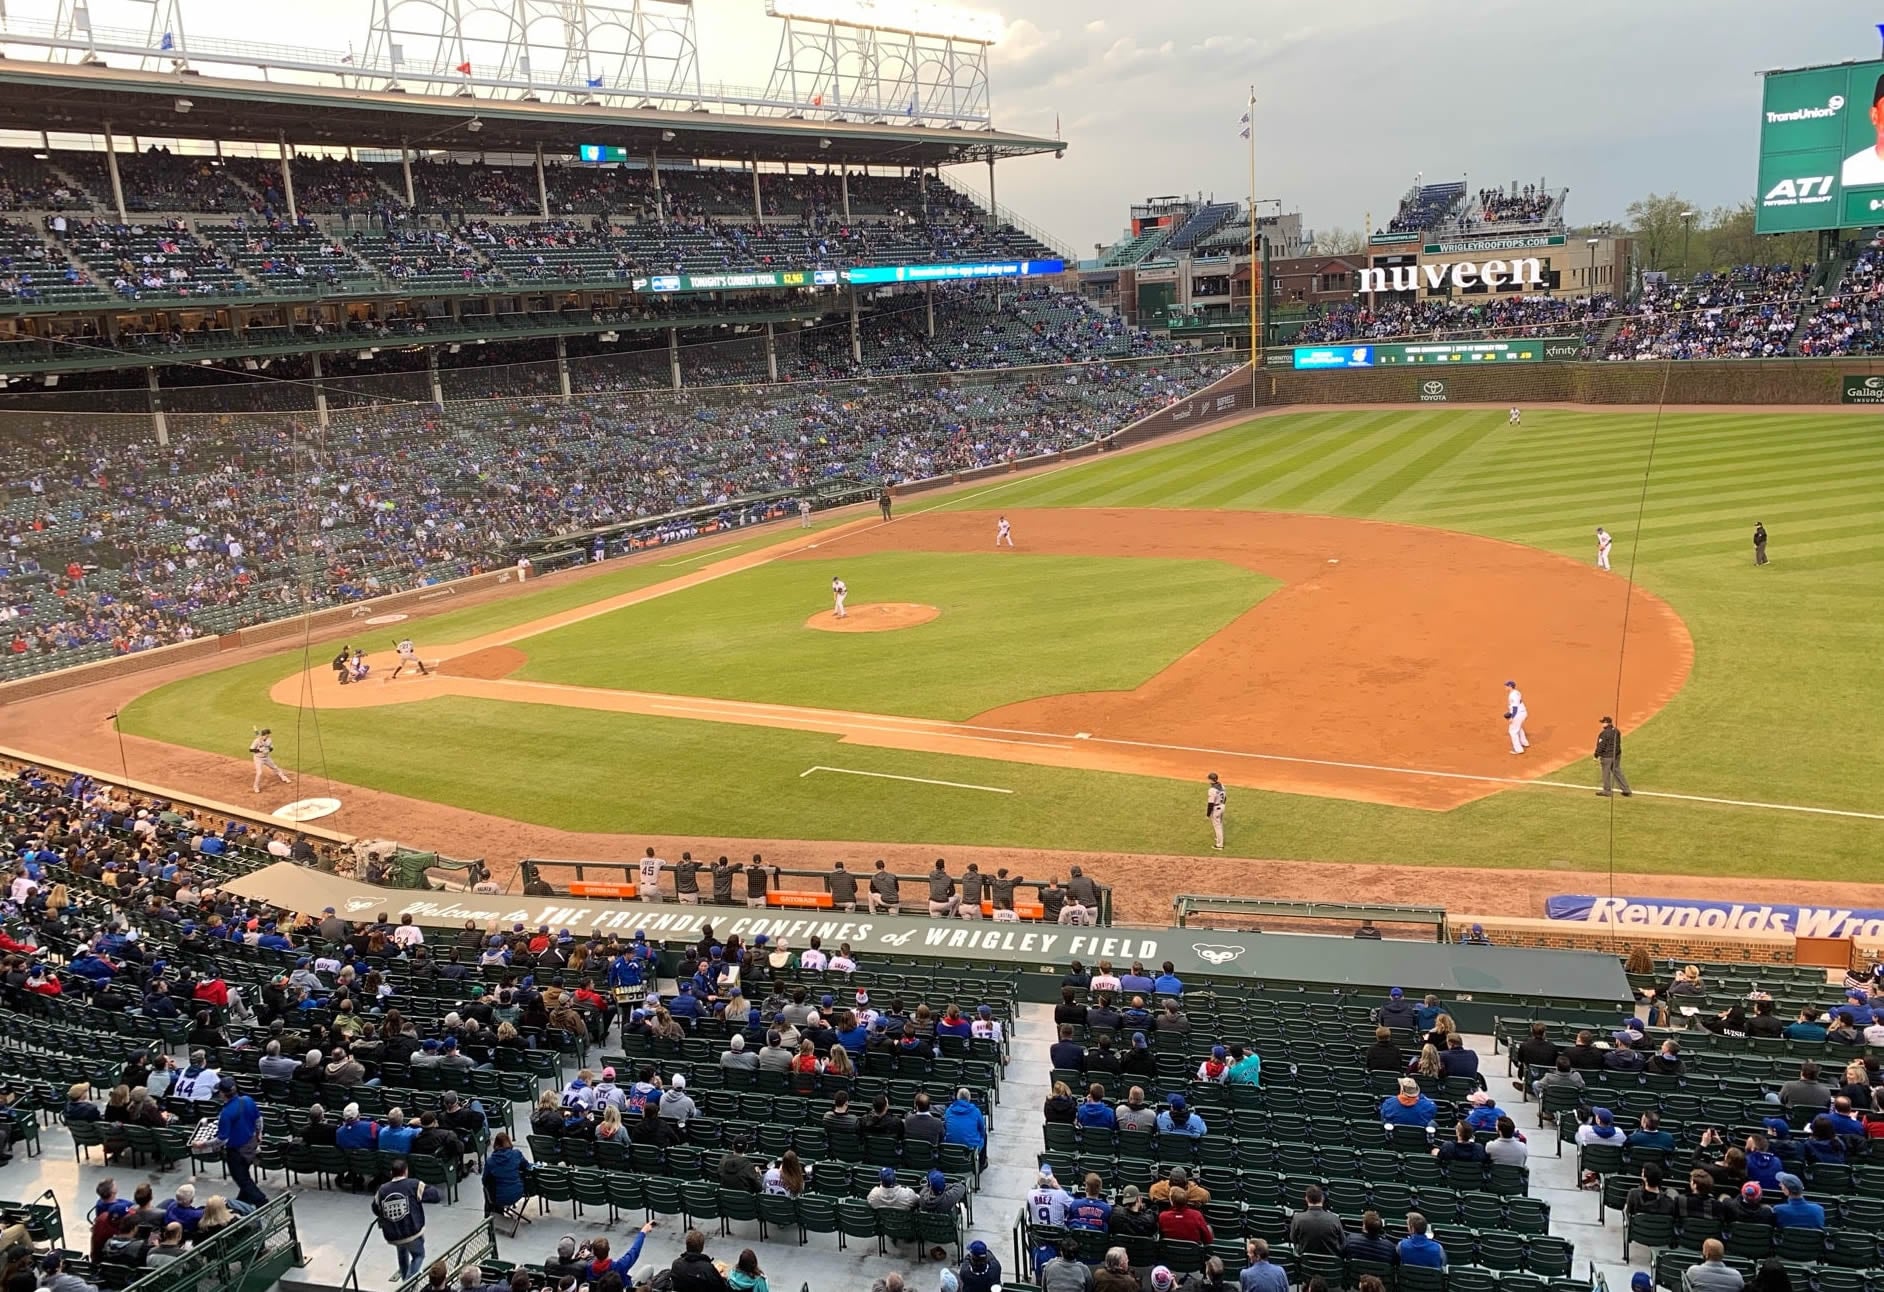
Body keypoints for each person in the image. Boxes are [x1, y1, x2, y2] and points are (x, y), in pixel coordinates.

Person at [373, 1159, 443, 1282]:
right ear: (406, 1171)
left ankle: (404, 1279)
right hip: (412, 1232)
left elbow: (375, 1208)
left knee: (402, 1252)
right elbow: (435, 1195)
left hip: (393, 1234)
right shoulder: (413, 1185)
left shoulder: (382, 1190)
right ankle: (407, 1285)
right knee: (419, 1255)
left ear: (391, 1173)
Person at [213, 1076, 270, 1208]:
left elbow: (222, 1139)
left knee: (242, 1179)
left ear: (222, 1093)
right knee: (244, 1176)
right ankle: (241, 1203)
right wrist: (258, 1133)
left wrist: (203, 1144)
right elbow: (258, 1119)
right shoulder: (248, 1100)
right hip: (251, 1144)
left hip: (237, 1151)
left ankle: (261, 1201)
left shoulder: (226, 1113)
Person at [1289, 1185, 1345, 1254]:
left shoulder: (1297, 1218)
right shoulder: (1334, 1219)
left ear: (1306, 1199)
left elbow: (1293, 1239)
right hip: (1330, 1262)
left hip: (1306, 1262)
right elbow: (1342, 1241)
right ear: (1322, 1198)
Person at [1595, 717, 1632, 796]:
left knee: (1606, 773)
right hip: (1617, 755)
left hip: (1607, 756)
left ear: (1607, 723)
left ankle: (1607, 791)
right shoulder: (1616, 731)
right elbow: (1618, 743)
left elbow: (1601, 746)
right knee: (1617, 771)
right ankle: (1626, 789)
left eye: (1603, 723)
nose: (1602, 724)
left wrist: (1596, 754)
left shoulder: (1604, 733)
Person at [250, 728, 291, 793]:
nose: (269, 735)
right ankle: (256, 787)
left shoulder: (269, 740)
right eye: (268, 734)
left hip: (266, 757)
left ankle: (283, 777)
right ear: (265, 734)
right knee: (259, 773)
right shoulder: (257, 741)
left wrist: (268, 750)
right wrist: (259, 750)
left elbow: (271, 748)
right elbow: (251, 749)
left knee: (275, 767)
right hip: (258, 759)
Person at [1503, 680, 1529, 755]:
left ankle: (1518, 749)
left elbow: (1515, 707)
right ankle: (1525, 743)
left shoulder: (1513, 695)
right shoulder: (1517, 692)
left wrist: (1512, 717)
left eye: (1506, 686)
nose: (1505, 687)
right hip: (1523, 712)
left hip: (1518, 714)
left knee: (1513, 731)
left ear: (1510, 686)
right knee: (1519, 728)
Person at [1204, 772, 1226, 850]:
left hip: (1216, 808)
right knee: (1220, 824)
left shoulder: (1212, 790)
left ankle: (1219, 845)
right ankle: (1219, 838)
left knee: (1217, 826)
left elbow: (1210, 803)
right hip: (1222, 806)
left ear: (1211, 780)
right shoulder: (1222, 786)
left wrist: (1208, 814)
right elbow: (1225, 797)